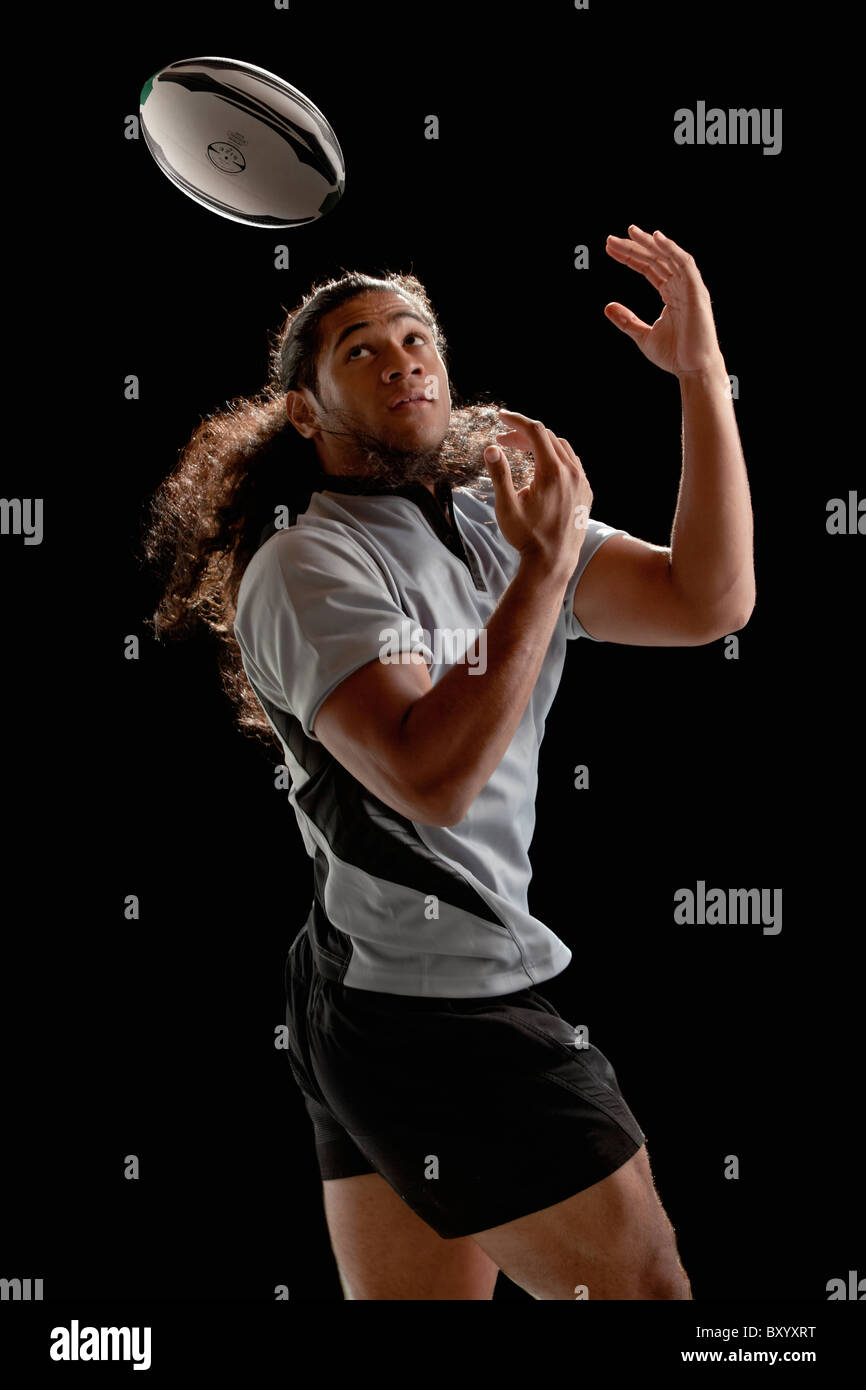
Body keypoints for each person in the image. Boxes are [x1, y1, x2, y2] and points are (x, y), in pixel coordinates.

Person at [142, 228, 754, 1299]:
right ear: (304, 408)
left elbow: (707, 599)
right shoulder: (306, 560)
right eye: (359, 350)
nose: (401, 358)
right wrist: (543, 569)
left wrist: (700, 376)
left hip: (372, 984)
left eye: (416, 336)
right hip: (432, 1007)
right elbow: (431, 780)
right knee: (649, 1290)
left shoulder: (490, 523)